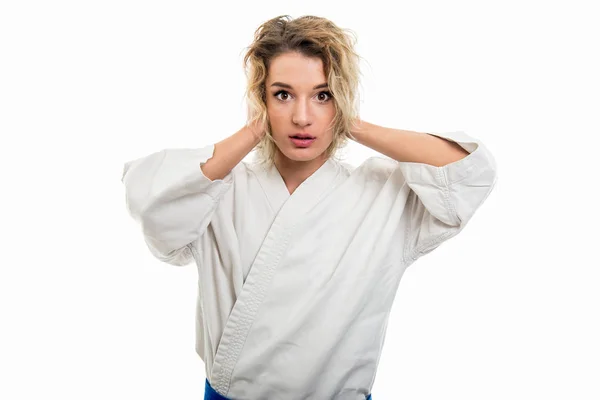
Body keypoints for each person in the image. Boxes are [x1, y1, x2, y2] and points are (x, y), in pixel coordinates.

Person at [121, 14, 497, 400]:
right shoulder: (221, 191)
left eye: (323, 95)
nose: (302, 118)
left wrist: (351, 123)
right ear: (261, 98)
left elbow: (467, 172)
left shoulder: (383, 197)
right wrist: (253, 131)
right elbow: (152, 200)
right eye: (282, 94)